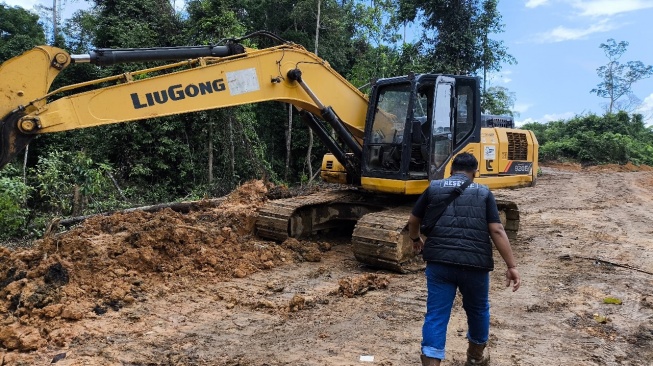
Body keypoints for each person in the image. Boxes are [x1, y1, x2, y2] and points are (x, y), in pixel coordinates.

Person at [407, 152, 521, 366]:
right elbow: (496, 229)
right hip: (475, 265)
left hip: (440, 263)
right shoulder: (484, 192)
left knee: (436, 314)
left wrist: (416, 238)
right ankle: (475, 357)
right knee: (478, 309)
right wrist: (511, 266)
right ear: (474, 173)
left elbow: (414, 219)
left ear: (451, 170)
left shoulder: (433, 187)